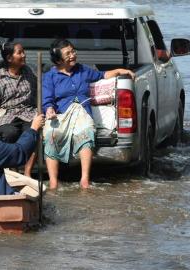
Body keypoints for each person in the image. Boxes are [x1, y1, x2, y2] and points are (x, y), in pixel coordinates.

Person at [43, 39, 135, 190]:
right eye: (68, 53)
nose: (73, 55)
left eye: (73, 51)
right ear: (59, 60)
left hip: (82, 113)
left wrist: (120, 71)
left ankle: (84, 179)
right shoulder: (50, 76)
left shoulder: (83, 70)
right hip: (61, 115)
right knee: (51, 134)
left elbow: (102, 75)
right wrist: (49, 110)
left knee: (86, 132)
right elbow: (47, 100)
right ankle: (53, 181)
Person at [0, 42, 37, 177]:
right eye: (20, 53)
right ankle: (13, 172)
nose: (24, 55)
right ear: (10, 58)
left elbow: (37, 95)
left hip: (28, 113)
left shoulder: (28, 72)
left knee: (34, 132)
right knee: (9, 133)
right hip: (6, 115)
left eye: (24, 51)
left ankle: (27, 174)